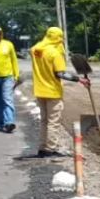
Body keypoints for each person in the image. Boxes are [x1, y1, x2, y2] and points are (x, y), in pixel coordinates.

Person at [29, 27, 90, 158]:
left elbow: (36, 52)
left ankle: (42, 147)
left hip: (39, 90)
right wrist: (79, 79)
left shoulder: (36, 50)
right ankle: (50, 149)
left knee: (44, 121)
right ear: (58, 38)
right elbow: (60, 74)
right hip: (52, 91)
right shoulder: (54, 53)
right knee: (53, 122)